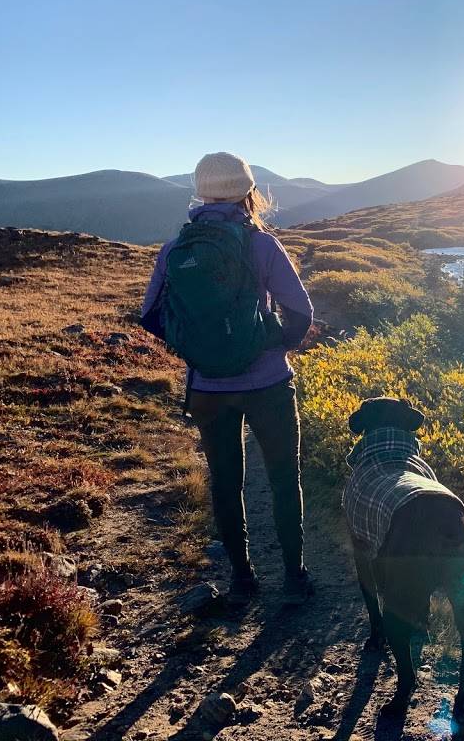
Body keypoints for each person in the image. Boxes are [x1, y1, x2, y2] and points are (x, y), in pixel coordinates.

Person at [140, 151, 315, 605]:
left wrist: (198, 351)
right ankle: (294, 579)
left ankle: (242, 580)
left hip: (207, 390)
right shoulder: (260, 243)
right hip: (268, 384)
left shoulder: (177, 248)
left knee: (224, 481)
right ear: (247, 191)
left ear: (200, 192)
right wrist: (271, 346)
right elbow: (300, 313)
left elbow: (150, 315)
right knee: (282, 478)